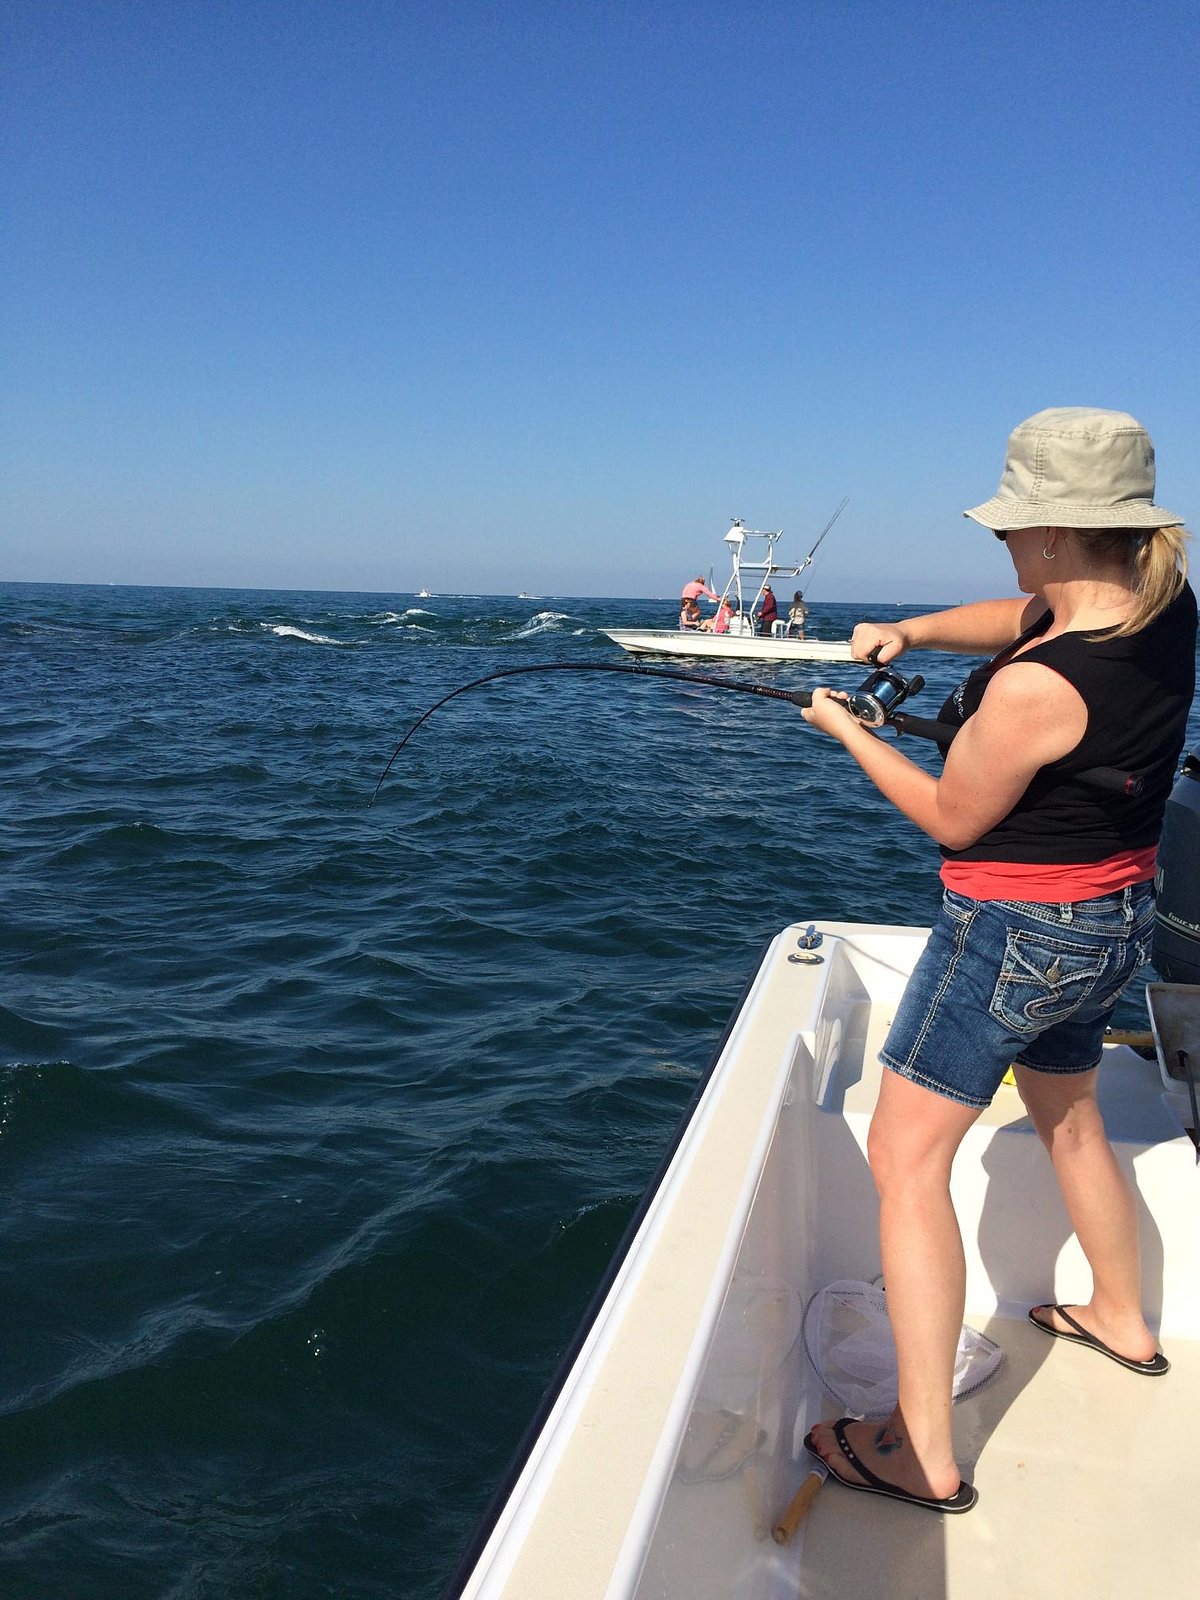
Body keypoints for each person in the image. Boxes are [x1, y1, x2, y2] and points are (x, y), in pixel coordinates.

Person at [800, 406, 1195, 1515]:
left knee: (905, 1157)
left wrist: (850, 733)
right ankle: (1122, 1314)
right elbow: (1021, 618)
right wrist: (912, 632)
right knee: (1066, 1110)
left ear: (1060, 532)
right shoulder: (1163, 606)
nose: (1007, 545)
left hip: (1012, 936)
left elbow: (951, 815)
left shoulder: (1034, 690)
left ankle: (919, 1454)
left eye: (1013, 528)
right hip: (1114, 920)